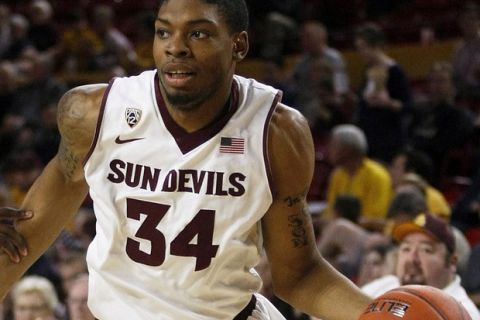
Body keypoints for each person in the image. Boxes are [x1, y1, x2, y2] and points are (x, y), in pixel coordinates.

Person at [0, 1, 371, 319]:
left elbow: (299, 276)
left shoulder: (276, 133)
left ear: (238, 44)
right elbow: (23, 240)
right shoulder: (93, 114)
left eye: (198, 34)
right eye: (164, 32)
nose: (175, 47)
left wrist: (380, 312)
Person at [361, 213, 480, 319]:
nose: (412, 258)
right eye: (406, 248)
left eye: (426, 250)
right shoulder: (386, 284)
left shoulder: (464, 314)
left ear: (452, 262)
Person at [354, 22, 412, 164]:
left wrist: (387, 103)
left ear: (376, 46)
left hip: (388, 140)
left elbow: (407, 106)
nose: (360, 53)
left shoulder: (395, 71)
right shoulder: (368, 71)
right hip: (369, 138)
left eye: (363, 48)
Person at [325, 124, 392, 225]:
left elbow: (375, 219)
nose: (328, 149)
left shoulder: (377, 175)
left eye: (333, 145)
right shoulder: (337, 175)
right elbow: (330, 211)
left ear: (347, 150)